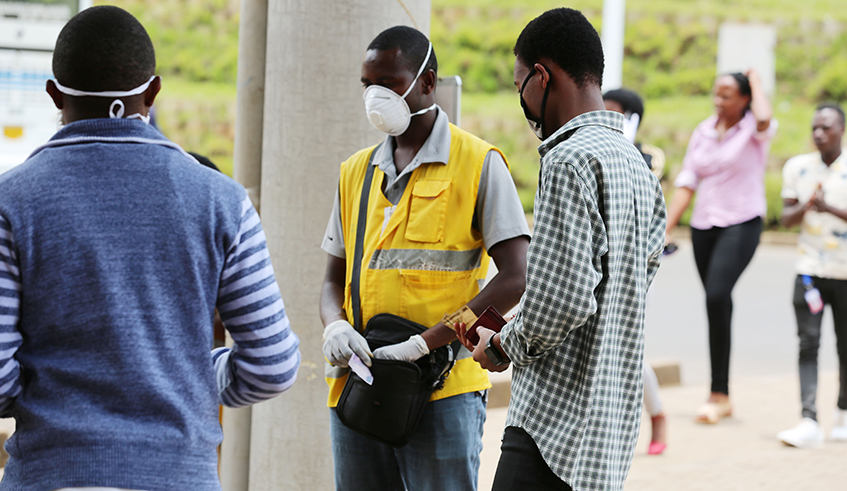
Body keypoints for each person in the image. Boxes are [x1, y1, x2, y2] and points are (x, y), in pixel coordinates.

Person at [0, 7, 301, 490]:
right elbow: (273, 365)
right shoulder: (222, 200)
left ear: (54, 93)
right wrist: (183, 373)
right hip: (178, 476)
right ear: (153, 91)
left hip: (51, 474)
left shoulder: (10, 201)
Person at [457, 8, 666, 491]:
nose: (522, 101)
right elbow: (635, 278)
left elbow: (565, 297)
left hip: (552, 429)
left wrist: (504, 344)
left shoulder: (568, 158)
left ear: (542, 76)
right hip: (606, 432)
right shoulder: (635, 163)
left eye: (519, 86)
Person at [319, 26, 530, 491]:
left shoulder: (478, 162)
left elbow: (517, 276)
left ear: (427, 83)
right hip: (361, 382)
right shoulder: (355, 172)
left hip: (442, 387)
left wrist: (426, 344)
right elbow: (333, 277)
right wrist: (334, 323)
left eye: (390, 84)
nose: (376, 97)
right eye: (367, 85)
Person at [664, 69, 776, 424]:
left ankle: (718, 393)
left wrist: (755, 82)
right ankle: (721, 394)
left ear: (743, 99)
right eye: (716, 93)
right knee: (716, 305)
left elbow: (764, 117)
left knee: (716, 295)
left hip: (742, 222)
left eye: (727, 95)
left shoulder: (754, 132)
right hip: (704, 225)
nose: (719, 100)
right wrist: (664, 227)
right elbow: (688, 179)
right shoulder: (704, 131)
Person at [776, 103, 847, 448]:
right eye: (815, 127)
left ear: (841, 130)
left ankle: (844, 413)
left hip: (845, 272)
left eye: (827, 128)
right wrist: (806, 206)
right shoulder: (798, 168)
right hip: (809, 272)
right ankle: (808, 419)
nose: (819, 133)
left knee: (845, 346)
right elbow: (785, 218)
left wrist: (828, 207)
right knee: (808, 344)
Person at [603, 87, 668, 456]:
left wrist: (624, 143)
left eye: (615, 113)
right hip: (600, 263)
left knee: (631, 348)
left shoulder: (647, 157)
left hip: (636, 266)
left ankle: (657, 414)